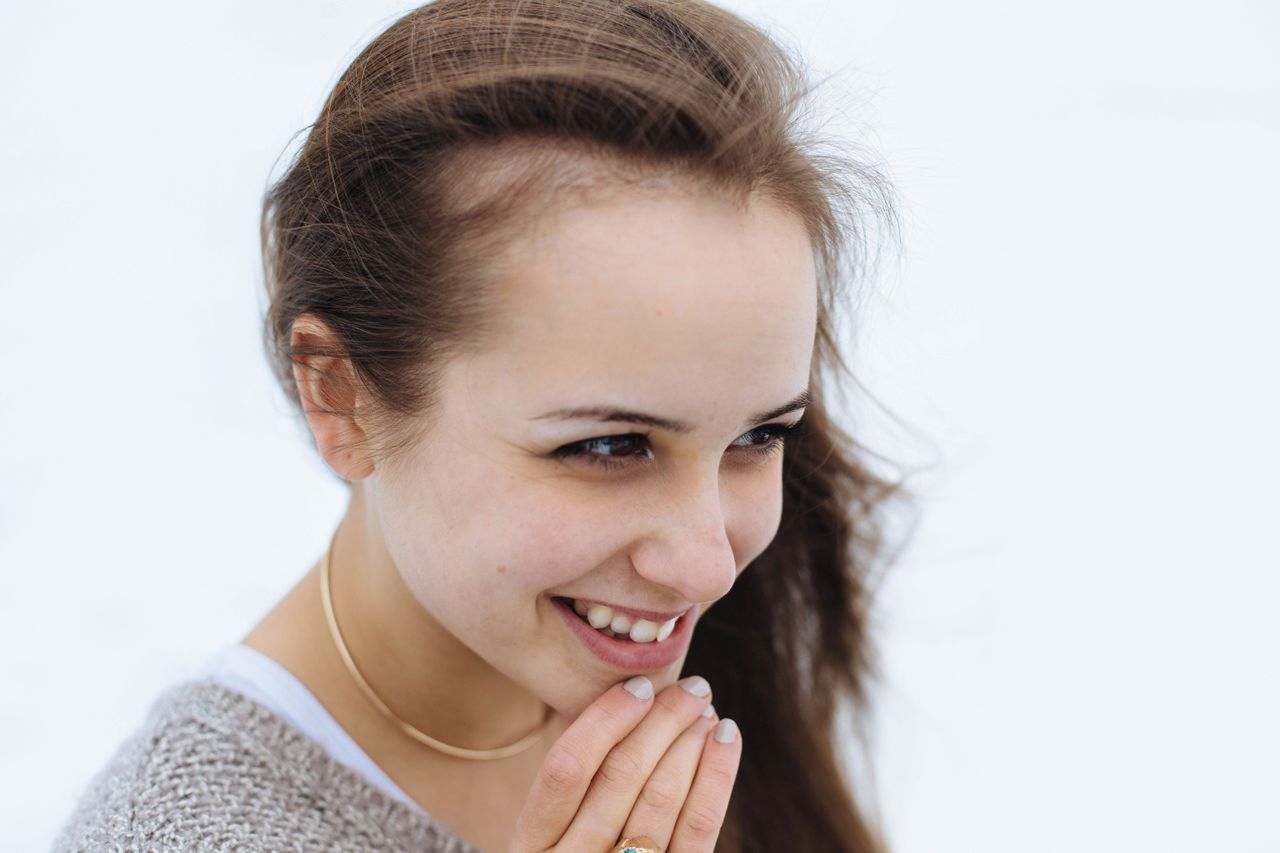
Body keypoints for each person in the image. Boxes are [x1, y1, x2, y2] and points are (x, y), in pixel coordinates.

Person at [53, 0, 909, 850]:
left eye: (758, 437)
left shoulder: (702, 672)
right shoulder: (171, 835)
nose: (707, 566)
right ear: (340, 397)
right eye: (608, 446)